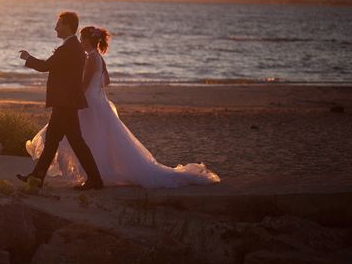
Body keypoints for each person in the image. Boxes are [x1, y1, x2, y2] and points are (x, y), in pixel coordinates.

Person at [26, 26, 221, 188]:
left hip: (89, 103)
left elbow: (83, 85)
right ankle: (76, 176)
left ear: (87, 41)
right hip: (97, 101)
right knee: (89, 139)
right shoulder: (99, 58)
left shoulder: (91, 58)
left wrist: (79, 90)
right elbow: (107, 81)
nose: (81, 42)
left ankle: (93, 178)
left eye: (82, 39)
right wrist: (95, 88)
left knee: (83, 140)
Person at [17, 12, 104, 190]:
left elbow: (45, 66)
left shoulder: (69, 48)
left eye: (58, 24)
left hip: (66, 103)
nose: (55, 27)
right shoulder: (73, 47)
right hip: (65, 102)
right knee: (52, 142)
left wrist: (28, 58)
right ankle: (37, 177)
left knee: (76, 142)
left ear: (67, 26)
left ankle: (96, 180)